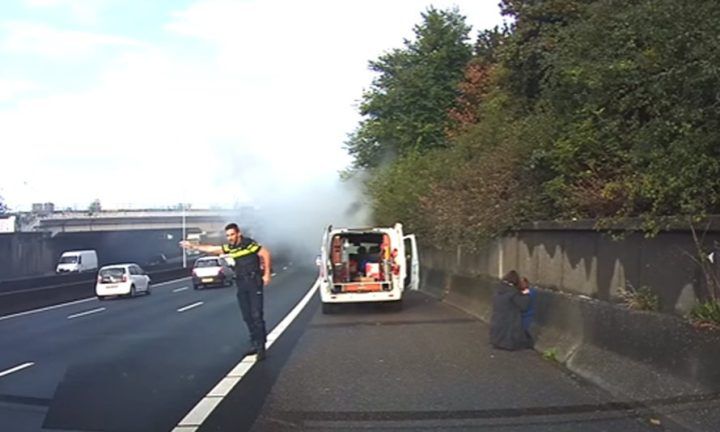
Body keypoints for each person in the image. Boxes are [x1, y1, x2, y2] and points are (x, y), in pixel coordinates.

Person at [180, 223, 272, 360]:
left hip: (253, 282)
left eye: (232, 235)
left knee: (257, 315)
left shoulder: (249, 244)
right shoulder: (231, 248)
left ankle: (261, 347)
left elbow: (265, 253)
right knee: (247, 316)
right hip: (241, 283)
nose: (230, 238)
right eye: (228, 235)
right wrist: (194, 246)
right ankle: (254, 342)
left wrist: (267, 274)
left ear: (238, 233)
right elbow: (213, 249)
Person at [489, 270, 533, 350]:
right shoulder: (513, 293)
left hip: (496, 332)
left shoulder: (498, 290)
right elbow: (524, 306)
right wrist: (526, 294)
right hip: (509, 334)